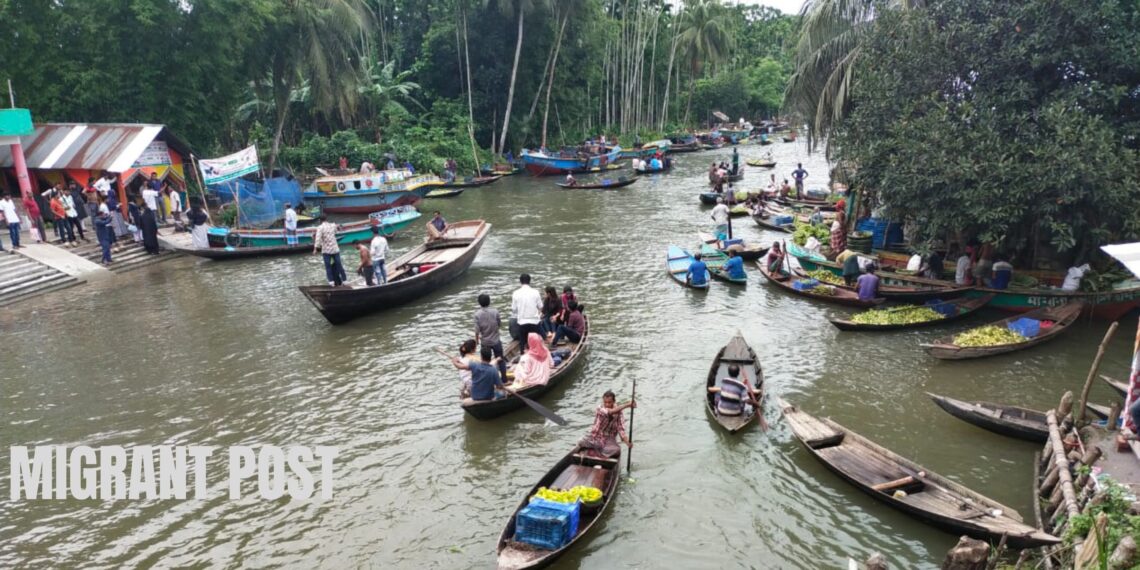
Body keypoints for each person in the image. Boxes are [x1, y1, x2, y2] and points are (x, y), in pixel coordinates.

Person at [577, 390, 635, 457]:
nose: (607, 404)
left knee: (617, 450)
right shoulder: (600, 408)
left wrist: (627, 442)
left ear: (614, 402)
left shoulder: (619, 413)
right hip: (596, 437)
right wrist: (627, 405)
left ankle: (595, 452)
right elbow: (610, 412)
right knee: (581, 441)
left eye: (609, 402)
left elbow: (621, 429)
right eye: (605, 402)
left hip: (609, 440)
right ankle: (600, 452)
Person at [474, 293, 508, 379]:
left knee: (485, 363)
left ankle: (488, 380)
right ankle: (504, 379)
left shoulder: (477, 314)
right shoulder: (495, 311)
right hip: (496, 340)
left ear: (479, 303)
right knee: (500, 360)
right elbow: (499, 323)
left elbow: (477, 331)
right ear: (489, 302)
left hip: (485, 342)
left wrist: (477, 341)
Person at [313, 214, 347, 287]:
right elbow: (336, 231)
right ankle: (345, 280)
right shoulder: (332, 225)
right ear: (326, 219)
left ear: (320, 220)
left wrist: (315, 249)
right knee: (339, 265)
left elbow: (318, 239)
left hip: (326, 250)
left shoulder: (320, 227)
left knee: (328, 266)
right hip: (334, 249)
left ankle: (331, 282)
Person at [511, 273, 543, 347]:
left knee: (523, 342)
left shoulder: (516, 293)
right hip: (534, 322)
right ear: (529, 281)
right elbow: (541, 306)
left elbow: (514, 309)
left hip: (522, 322)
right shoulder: (536, 292)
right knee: (535, 343)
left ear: (520, 282)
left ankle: (523, 354)